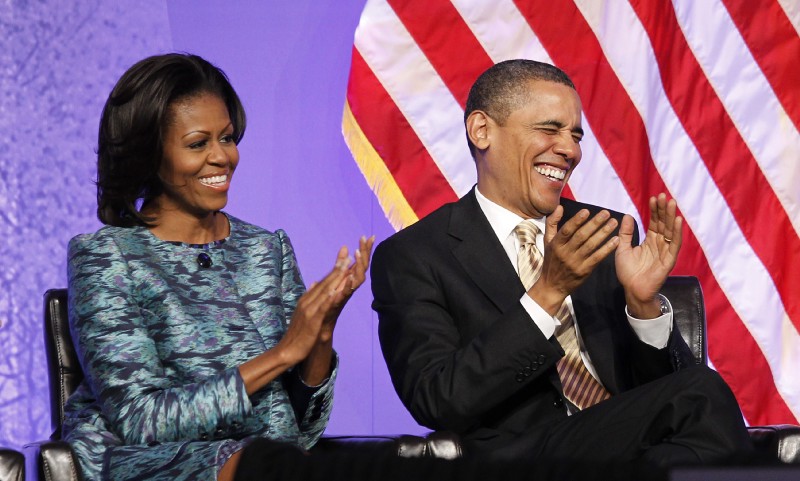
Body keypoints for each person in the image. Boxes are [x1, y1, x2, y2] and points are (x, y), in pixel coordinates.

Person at [371, 59, 754, 468]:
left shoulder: (602, 231)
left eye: (575, 135)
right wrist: (547, 293)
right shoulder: (415, 256)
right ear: (482, 130)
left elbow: (664, 395)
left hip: (623, 449)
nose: (571, 150)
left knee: (686, 428)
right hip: (519, 460)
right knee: (700, 392)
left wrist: (642, 307)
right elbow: (437, 398)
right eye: (549, 129)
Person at [63, 53, 374, 481]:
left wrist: (319, 335)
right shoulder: (108, 257)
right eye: (197, 144)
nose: (221, 158)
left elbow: (302, 431)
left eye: (227, 138)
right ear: (149, 154)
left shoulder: (268, 250)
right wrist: (283, 353)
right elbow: (140, 421)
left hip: (266, 466)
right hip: (149, 464)